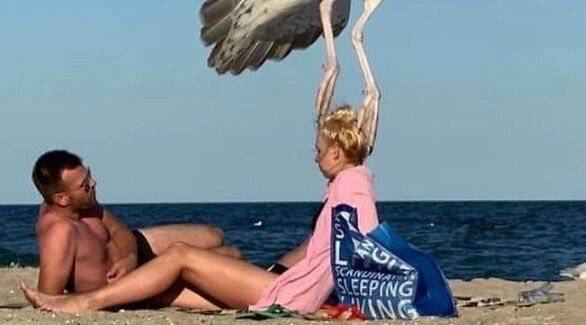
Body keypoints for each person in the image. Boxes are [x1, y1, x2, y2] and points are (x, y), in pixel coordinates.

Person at [21, 106, 378, 314]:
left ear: (335, 153)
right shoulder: (350, 184)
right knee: (184, 278)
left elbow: (365, 246)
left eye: (318, 150)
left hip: (292, 295)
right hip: (296, 290)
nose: (314, 157)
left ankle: (88, 303)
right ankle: (102, 298)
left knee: (181, 256)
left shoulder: (352, 187)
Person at [28, 149, 242, 308]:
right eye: (85, 185)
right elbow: (47, 297)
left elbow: (120, 231)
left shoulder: (86, 205)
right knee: (231, 255)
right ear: (62, 199)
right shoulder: (59, 232)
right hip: (133, 285)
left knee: (214, 235)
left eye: (89, 175)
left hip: (134, 255)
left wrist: (130, 257)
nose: (94, 183)